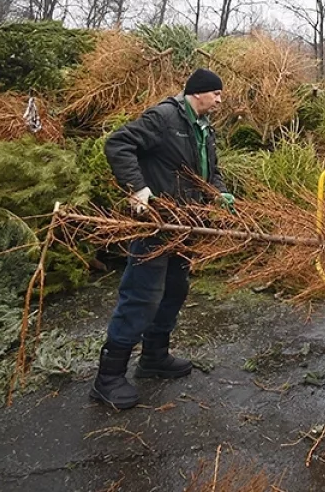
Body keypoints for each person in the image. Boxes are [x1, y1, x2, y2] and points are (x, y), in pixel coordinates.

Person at [89, 67, 235, 409]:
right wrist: (137, 188)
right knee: (142, 295)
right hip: (157, 225)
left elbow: (210, 172)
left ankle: (154, 358)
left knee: (174, 290)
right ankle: (107, 378)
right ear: (198, 92)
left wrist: (219, 193)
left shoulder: (204, 130)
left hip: (186, 228)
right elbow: (119, 144)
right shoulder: (164, 117)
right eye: (216, 93)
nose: (219, 99)